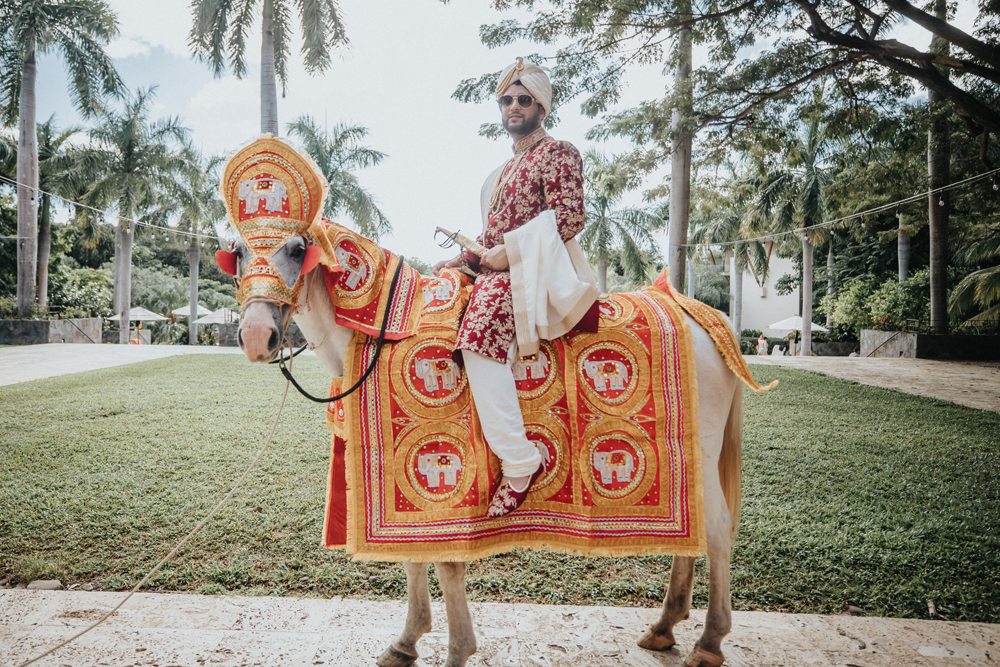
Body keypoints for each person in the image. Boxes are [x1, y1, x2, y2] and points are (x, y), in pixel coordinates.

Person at [433, 57, 586, 518]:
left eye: (524, 99)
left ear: (541, 107)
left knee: (477, 342)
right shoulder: (499, 173)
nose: (514, 106)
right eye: (506, 100)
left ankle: (520, 462)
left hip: (531, 275)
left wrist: (511, 252)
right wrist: (462, 258)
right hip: (496, 271)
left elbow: (571, 216)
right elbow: (490, 239)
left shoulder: (559, 153)